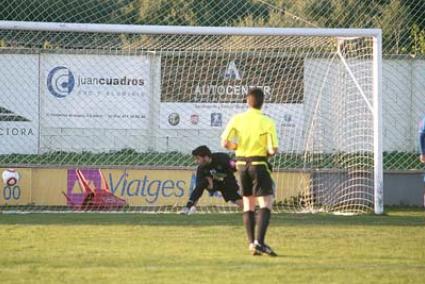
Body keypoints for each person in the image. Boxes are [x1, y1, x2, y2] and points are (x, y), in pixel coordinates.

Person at [221, 87, 278, 256]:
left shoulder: (237, 119)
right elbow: (273, 149)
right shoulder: (267, 121)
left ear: (247, 101)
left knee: (248, 204)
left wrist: (237, 146)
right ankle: (260, 242)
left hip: (241, 165)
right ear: (262, 103)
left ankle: (252, 244)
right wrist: (267, 151)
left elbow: (225, 142)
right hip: (259, 163)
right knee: (266, 203)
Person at [180, 145, 243, 215]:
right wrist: (210, 185)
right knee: (202, 183)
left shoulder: (222, 158)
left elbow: (234, 167)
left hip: (227, 181)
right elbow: (198, 188)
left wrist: (234, 166)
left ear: (206, 157)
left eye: (198, 159)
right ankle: (188, 207)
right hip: (213, 184)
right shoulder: (201, 169)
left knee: (235, 198)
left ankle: (250, 209)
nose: (196, 161)